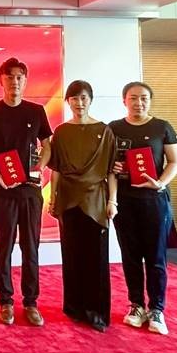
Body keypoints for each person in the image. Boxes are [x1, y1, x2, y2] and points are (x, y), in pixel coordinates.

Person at [0, 57, 52, 326]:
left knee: (31, 247)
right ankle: (6, 300)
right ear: (1, 80)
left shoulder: (36, 111)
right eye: (9, 77)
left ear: (25, 80)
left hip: (30, 193)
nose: (14, 82)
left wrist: (40, 167)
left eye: (19, 77)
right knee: (3, 246)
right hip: (4, 192)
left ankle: (31, 302)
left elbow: (47, 145)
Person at [109, 81, 177, 335]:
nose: (138, 103)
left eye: (143, 98)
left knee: (155, 257)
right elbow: (109, 167)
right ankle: (136, 305)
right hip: (125, 202)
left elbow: (175, 161)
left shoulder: (162, 127)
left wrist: (160, 183)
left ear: (149, 101)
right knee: (130, 256)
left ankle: (157, 308)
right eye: (133, 98)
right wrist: (113, 178)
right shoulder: (114, 128)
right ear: (124, 100)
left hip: (154, 201)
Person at [48, 80, 117, 333]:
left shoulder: (105, 131)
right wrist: (53, 199)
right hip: (68, 200)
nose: (79, 103)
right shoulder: (61, 132)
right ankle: (74, 307)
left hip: (96, 201)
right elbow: (55, 169)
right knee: (72, 255)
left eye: (83, 97)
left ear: (91, 99)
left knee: (96, 257)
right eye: (74, 98)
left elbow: (111, 171)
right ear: (68, 102)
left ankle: (97, 311)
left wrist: (112, 201)